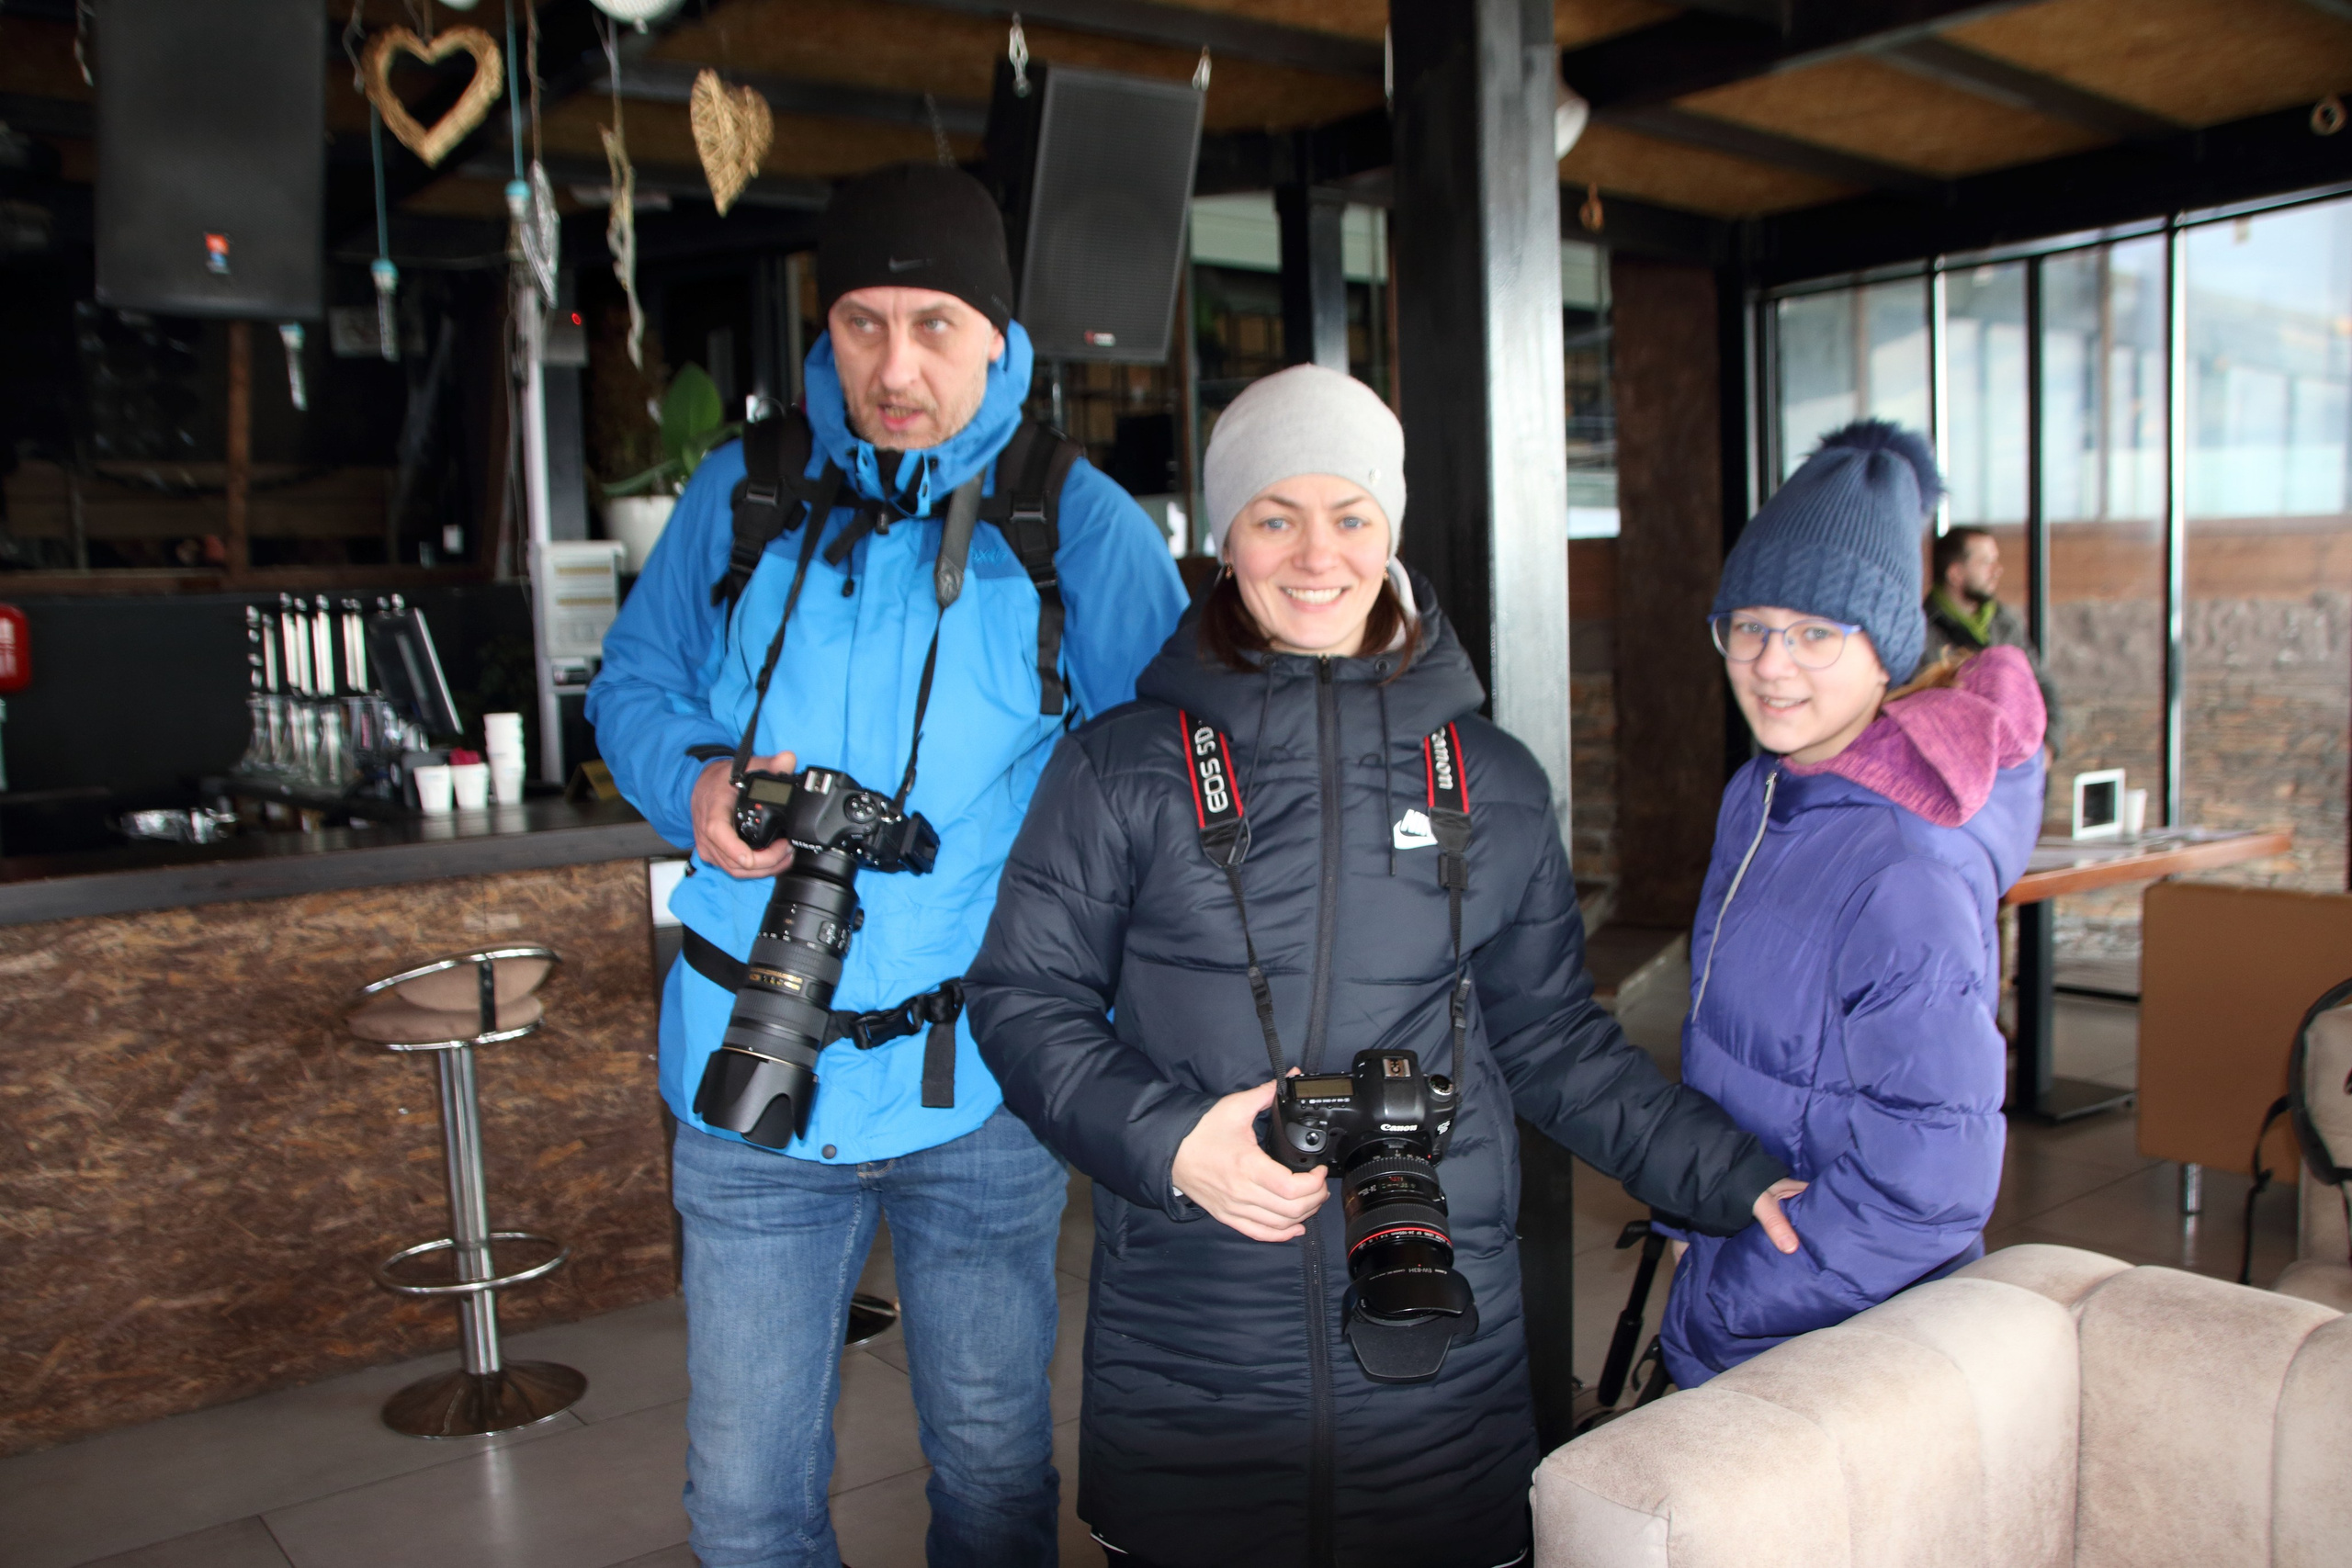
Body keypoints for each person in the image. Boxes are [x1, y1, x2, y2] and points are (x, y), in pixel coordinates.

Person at [962, 366, 1803, 1568]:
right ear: (1224, 536)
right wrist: (1172, 1141)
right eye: (1275, 515)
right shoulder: (1123, 765)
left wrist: (1736, 1177)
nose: (1317, 555)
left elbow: (1556, 1041)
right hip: (1194, 1363)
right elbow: (1020, 999)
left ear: (1391, 531)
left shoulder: (1495, 778)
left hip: (1436, 1351)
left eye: (1350, 515)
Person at [586, 163, 1189, 1568]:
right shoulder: (743, 490)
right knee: (743, 1504)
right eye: (863, 322)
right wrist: (698, 779)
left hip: (979, 1078)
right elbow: (635, 679)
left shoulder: (1072, 520)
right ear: (827, 325)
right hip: (748, 1063)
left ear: (995, 336)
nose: (895, 365)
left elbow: (1166, 765)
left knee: (989, 1469)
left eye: (934, 325)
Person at [1658, 422, 2046, 1390]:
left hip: (1832, 1338)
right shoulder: (1763, 792)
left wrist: (1718, 1299)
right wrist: (1691, 1209)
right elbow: (1731, 1053)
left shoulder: (1903, 866)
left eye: (1816, 632)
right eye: (1748, 626)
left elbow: (1930, 1193)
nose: (1771, 665)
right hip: (1759, 1280)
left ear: (1886, 653)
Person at [1922, 524, 2060, 751]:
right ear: (1955, 573)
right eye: (1986, 562)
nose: (1997, 570)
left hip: (2016, 766)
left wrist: (2050, 746)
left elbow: (2041, 684)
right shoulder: (1921, 631)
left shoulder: (2004, 622)